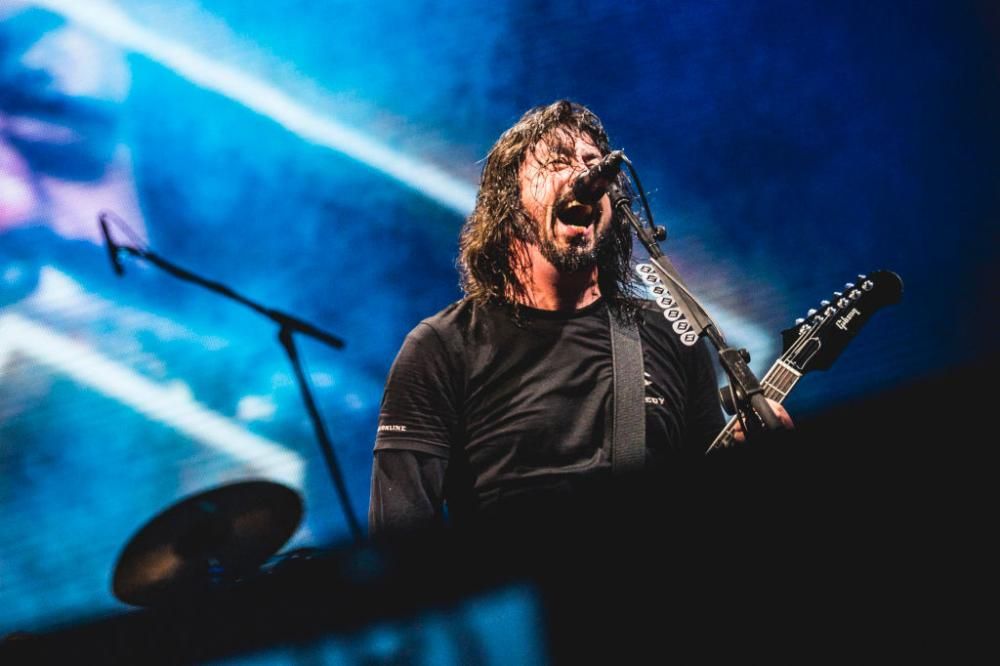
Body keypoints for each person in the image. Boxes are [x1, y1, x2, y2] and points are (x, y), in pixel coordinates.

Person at [368, 100, 792, 536]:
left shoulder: (670, 336)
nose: (585, 175)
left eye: (592, 162)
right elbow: (397, 535)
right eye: (558, 162)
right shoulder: (442, 348)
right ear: (508, 202)